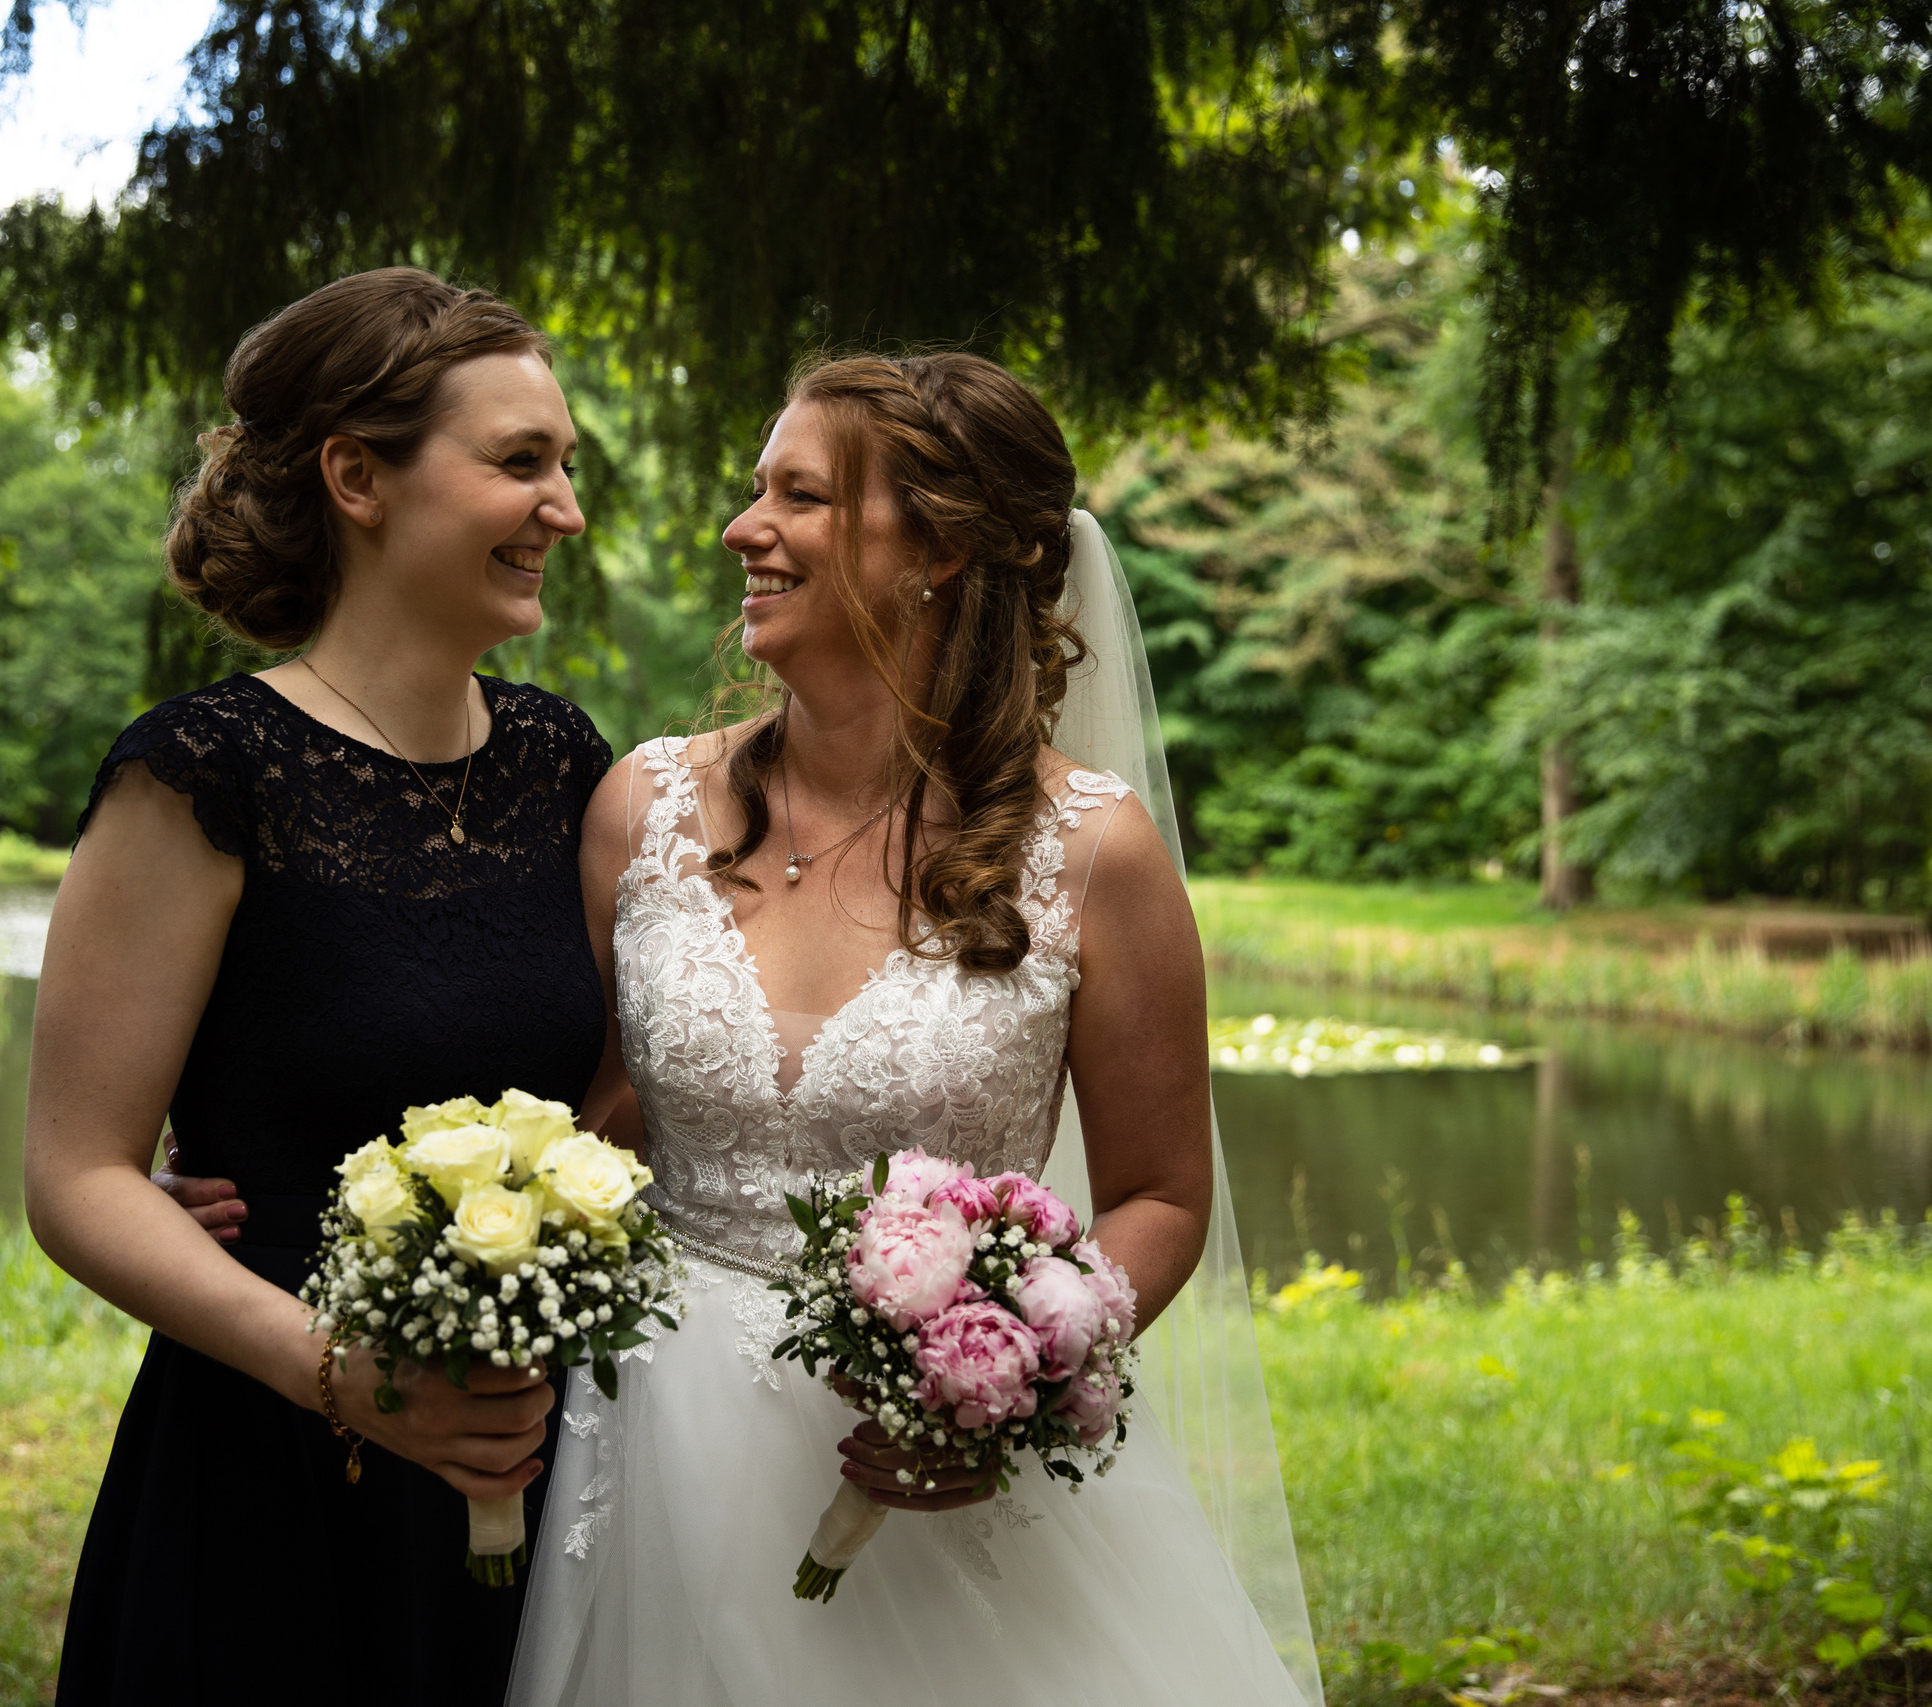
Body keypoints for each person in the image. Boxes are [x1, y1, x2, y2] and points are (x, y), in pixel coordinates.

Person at [501, 352, 1319, 1705]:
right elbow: (593, 1123)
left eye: (801, 496)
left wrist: (1008, 1374)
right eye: (757, 490)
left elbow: (1164, 1196)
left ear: (937, 549)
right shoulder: (637, 810)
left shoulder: (1092, 852)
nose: (743, 529)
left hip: (928, 1481)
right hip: (649, 1452)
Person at [27, 266, 614, 1705]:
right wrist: (340, 1371)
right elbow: (78, 1176)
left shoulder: (564, 763)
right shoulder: (202, 772)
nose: (564, 509)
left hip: (534, 1448)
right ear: (359, 478)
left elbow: (624, 1097)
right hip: (275, 1461)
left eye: (566, 466)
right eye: (520, 463)